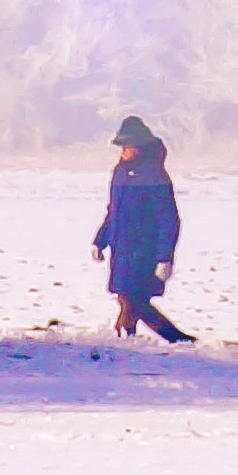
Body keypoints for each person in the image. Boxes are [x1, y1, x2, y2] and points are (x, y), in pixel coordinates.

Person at [93, 115, 192, 343]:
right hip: (122, 250)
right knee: (130, 300)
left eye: (127, 147)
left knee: (132, 300)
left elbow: (169, 220)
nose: (123, 152)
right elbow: (113, 212)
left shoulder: (155, 176)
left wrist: (164, 258)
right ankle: (173, 339)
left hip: (144, 253)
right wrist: (100, 240)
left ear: (139, 147)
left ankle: (125, 337)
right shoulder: (119, 173)